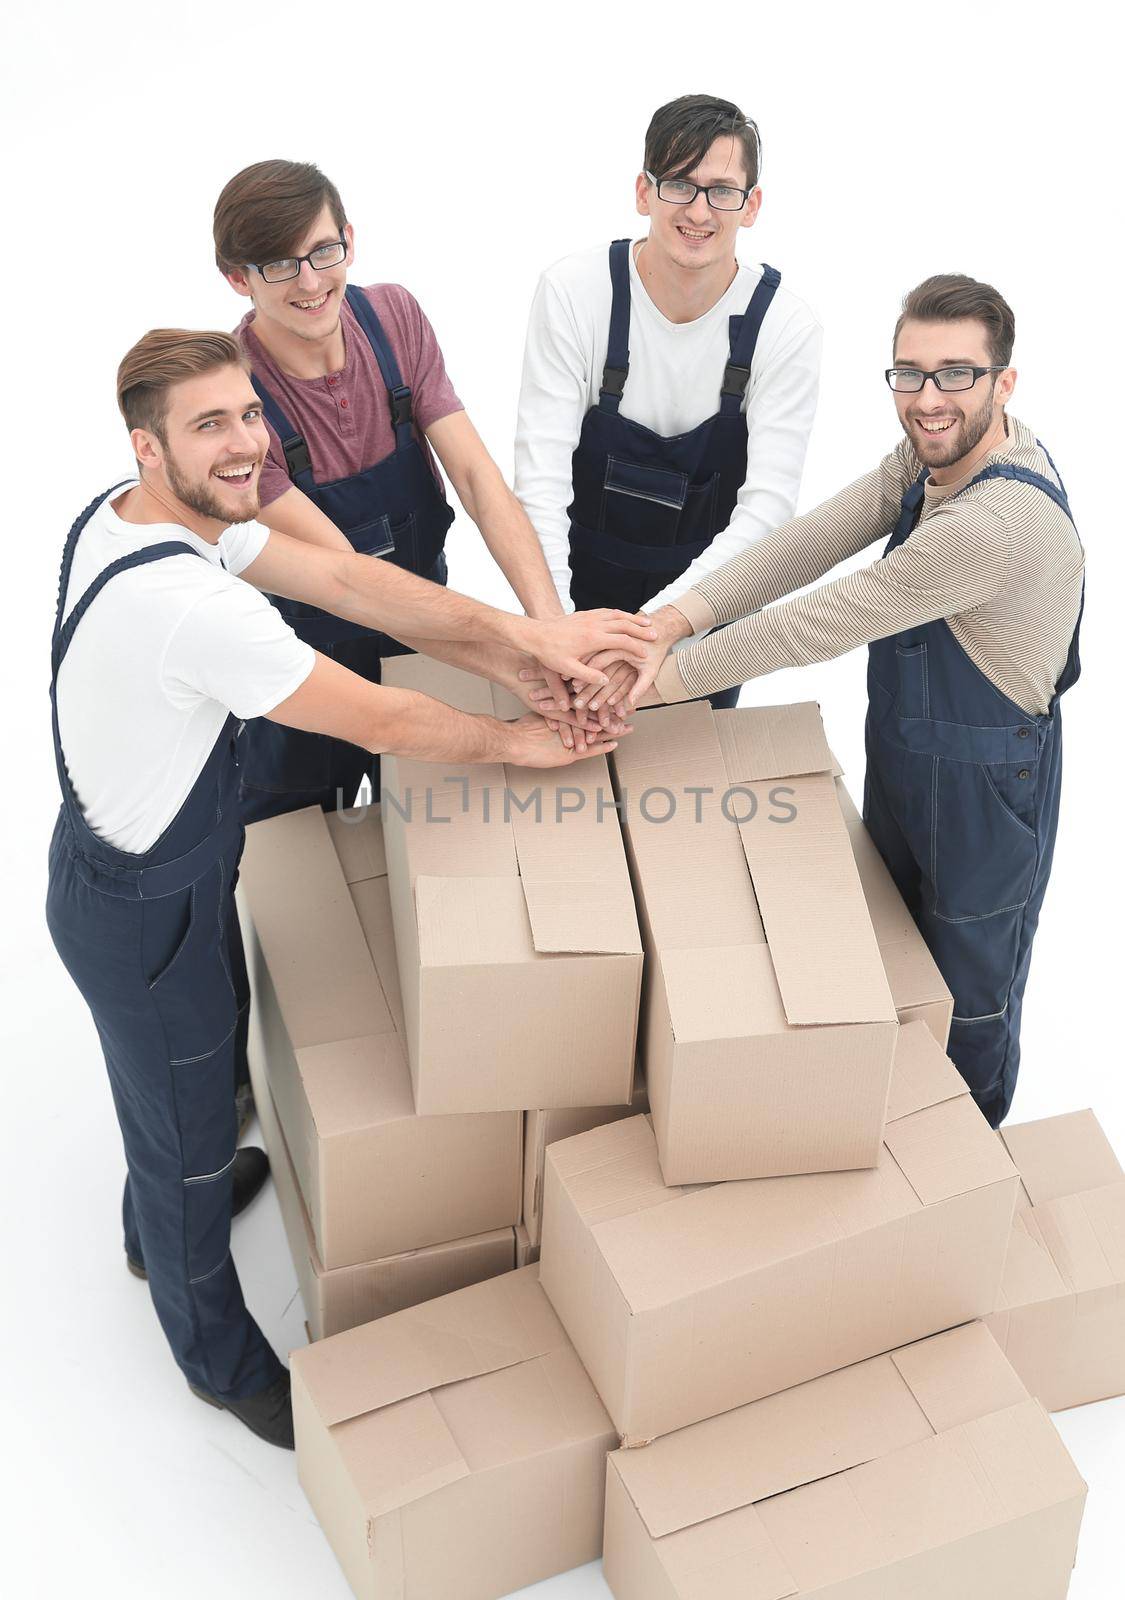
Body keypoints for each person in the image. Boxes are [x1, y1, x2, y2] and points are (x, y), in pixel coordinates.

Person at [45, 329, 647, 1449]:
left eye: (247, 415)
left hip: (158, 867)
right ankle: (213, 1350)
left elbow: (346, 579)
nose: (244, 445)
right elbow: (378, 718)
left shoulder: (136, 517)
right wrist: (519, 746)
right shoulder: (191, 606)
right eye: (208, 425)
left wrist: (519, 644)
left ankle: (156, 1220)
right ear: (147, 445)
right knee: (180, 1126)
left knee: (191, 1069)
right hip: (137, 908)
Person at [550, 274, 1083, 1129]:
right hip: (914, 763)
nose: (926, 399)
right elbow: (814, 541)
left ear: (1002, 383)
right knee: (896, 964)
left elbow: (818, 623)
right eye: (907, 373)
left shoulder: (994, 523)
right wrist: (669, 622)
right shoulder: (928, 458)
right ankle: (888, 1147)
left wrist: (655, 684)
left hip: (987, 792)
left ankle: (965, 1162)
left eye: (954, 374)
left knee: (971, 996)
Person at [214, 159, 578, 820]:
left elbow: (476, 479)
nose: (311, 281)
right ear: (238, 278)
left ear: (349, 238)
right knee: (294, 853)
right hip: (309, 672)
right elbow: (353, 585)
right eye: (278, 265)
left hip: (427, 640)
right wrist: (516, 658)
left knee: (427, 833)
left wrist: (550, 628)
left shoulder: (393, 318)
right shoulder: (237, 405)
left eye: (324, 251)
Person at [514, 92, 821, 711]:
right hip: (574, 609)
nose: (700, 210)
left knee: (687, 801)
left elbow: (767, 513)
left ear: (752, 204)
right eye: (679, 184)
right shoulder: (576, 293)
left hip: (705, 622)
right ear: (643, 191)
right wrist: (557, 630)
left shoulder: (785, 328)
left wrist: (657, 636)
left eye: (722, 190)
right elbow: (538, 481)